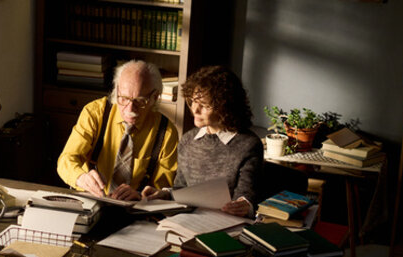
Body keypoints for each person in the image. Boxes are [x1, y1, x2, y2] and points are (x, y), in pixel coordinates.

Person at [142, 65, 262, 217]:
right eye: (192, 101)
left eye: (204, 105)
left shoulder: (248, 145)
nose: (195, 110)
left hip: (227, 222)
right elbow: (181, 190)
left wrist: (244, 206)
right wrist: (165, 194)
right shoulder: (188, 140)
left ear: (225, 107)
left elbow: (246, 197)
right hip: (187, 220)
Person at [56, 60, 179, 201]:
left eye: (140, 101)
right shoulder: (95, 113)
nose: (130, 109)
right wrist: (81, 178)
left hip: (135, 207)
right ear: (117, 90)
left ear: (154, 98)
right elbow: (66, 160)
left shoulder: (166, 133)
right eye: (124, 98)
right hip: (91, 199)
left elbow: (161, 192)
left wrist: (141, 196)